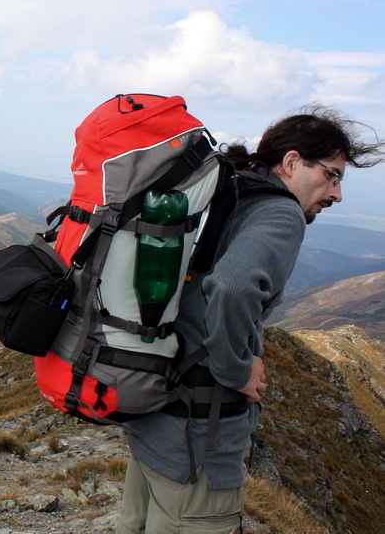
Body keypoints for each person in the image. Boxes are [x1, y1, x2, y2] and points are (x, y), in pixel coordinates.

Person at [115, 105, 383, 534]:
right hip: (200, 438)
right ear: (293, 162)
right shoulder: (281, 213)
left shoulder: (236, 191)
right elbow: (233, 287)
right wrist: (237, 370)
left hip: (159, 421)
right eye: (332, 175)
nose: (336, 194)